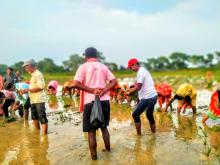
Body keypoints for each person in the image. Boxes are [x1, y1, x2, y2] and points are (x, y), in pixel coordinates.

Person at [73, 47, 117, 160]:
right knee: (104, 127)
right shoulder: (103, 66)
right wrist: (104, 90)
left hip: (90, 101)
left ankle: (94, 158)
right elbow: (114, 81)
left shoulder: (83, 67)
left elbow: (76, 84)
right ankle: (108, 151)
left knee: (91, 131)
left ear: (86, 56)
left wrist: (93, 90)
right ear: (96, 56)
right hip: (104, 100)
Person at [125, 58, 157, 135]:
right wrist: (131, 89)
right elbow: (138, 85)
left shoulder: (141, 72)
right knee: (149, 115)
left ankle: (138, 136)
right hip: (153, 96)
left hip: (148, 98)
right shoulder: (143, 71)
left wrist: (128, 91)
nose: (131, 69)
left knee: (135, 114)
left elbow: (138, 87)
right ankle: (153, 134)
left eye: (131, 67)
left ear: (135, 64)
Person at [19, 59, 48, 134]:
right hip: (33, 100)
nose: (25, 69)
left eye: (26, 67)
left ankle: (44, 136)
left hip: (39, 99)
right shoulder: (33, 75)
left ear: (30, 66)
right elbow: (35, 85)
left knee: (42, 117)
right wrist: (28, 87)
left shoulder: (38, 74)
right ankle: (37, 134)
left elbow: (41, 87)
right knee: (34, 117)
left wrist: (27, 90)